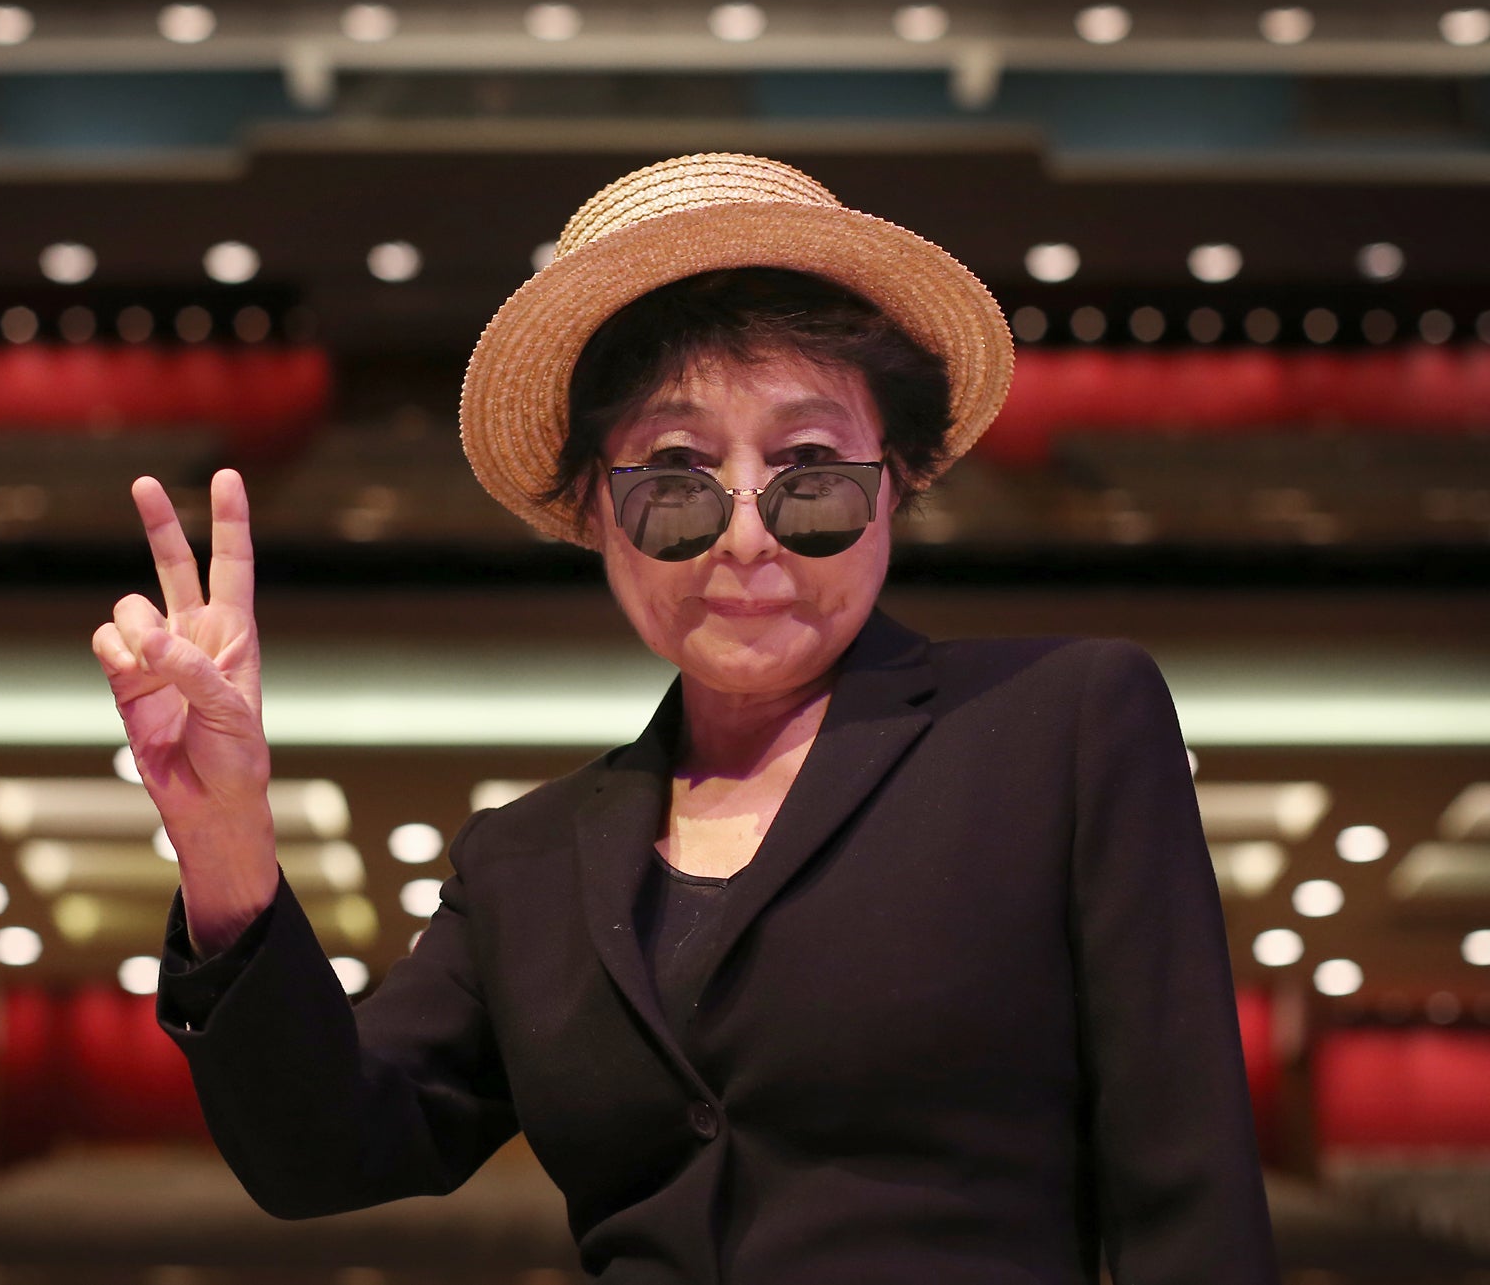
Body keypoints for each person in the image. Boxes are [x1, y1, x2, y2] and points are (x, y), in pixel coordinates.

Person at [90, 154, 1278, 1283]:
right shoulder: (525, 859)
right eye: (673, 477)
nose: (746, 536)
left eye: (810, 466)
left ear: (898, 478)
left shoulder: (1060, 726)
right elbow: (321, 1152)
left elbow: (1191, 1200)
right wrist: (225, 838)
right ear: (591, 513)